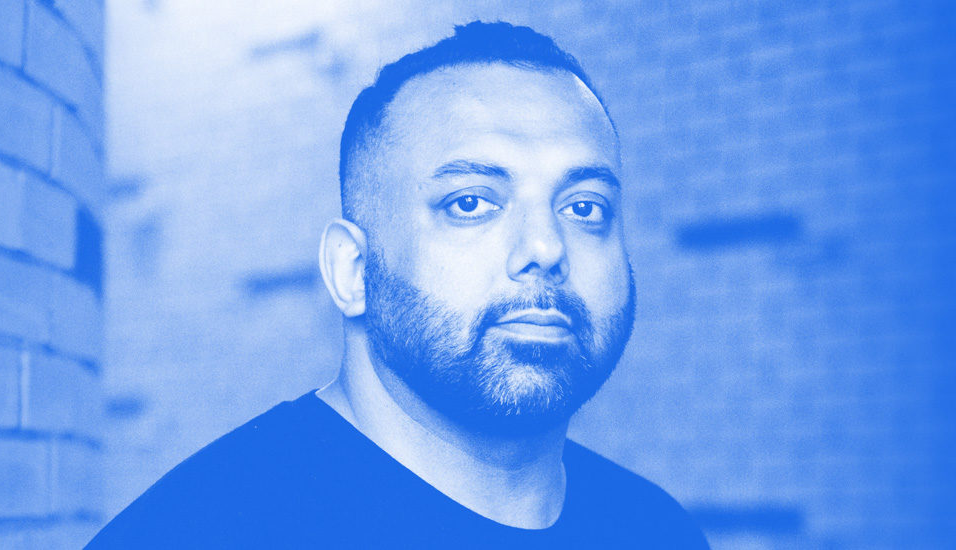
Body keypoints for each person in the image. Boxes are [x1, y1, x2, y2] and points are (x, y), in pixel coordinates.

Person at [88, 21, 709, 549]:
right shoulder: (199, 532)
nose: (546, 248)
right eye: (470, 203)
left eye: (585, 207)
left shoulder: (657, 530)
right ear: (352, 270)